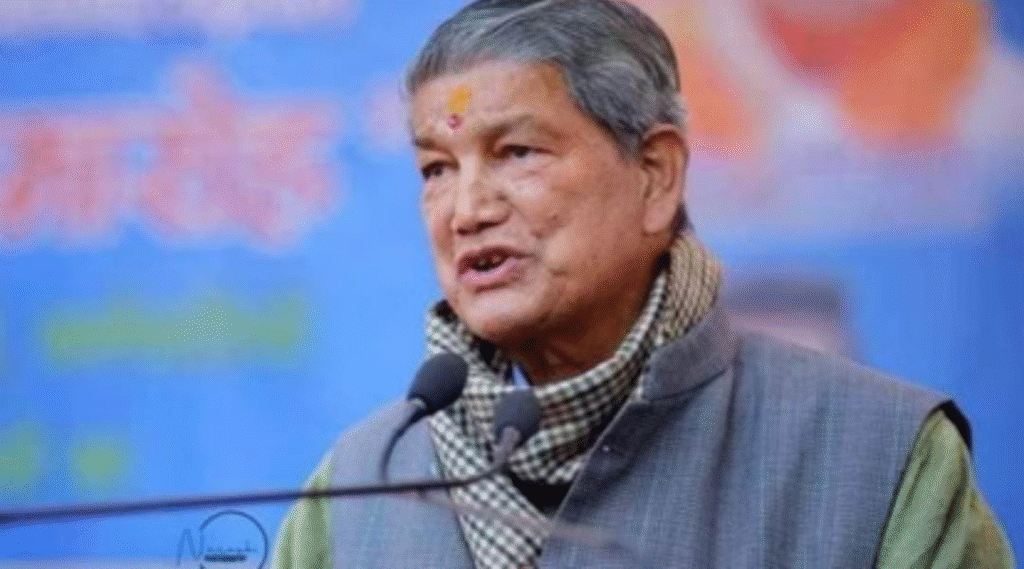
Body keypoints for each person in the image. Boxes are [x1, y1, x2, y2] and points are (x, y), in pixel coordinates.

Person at [271, 1, 1015, 567]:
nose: (466, 210)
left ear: (656, 175)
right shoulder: (360, 488)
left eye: (518, 152)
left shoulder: (880, 457)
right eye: (437, 168)